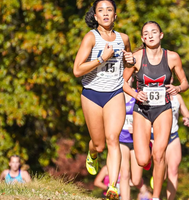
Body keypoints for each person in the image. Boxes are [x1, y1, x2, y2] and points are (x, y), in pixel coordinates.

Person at [73, 0, 134, 199]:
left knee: (112, 139)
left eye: (109, 10)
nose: (106, 13)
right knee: (99, 144)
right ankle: (93, 153)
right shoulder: (91, 38)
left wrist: (129, 63)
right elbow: (77, 70)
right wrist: (101, 59)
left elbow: (129, 62)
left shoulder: (123, 38)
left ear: (115, 15)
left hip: (115, 93)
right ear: (96, 16)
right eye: (101, 11)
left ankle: (113, 187)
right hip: (92, 94)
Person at [122, 21, 189, 199]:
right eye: (146, 33)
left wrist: (178, 89)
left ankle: (156, 197)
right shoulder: (136, 57)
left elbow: (185, 82)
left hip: (163, 109)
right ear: (143, 38)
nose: (150, 35)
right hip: (142, 109)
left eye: (154, 32)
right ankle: (151, 155)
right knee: (143, 160)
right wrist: (136, 95)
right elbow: (122, 83)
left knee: (159, 155)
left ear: (161, 35)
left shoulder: (172, 57)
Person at [150, 76, 189, 200]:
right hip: (156, 136)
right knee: (160, 173)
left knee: (173, 171)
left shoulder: (178, 97)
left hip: (173, 136)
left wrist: (187, 119)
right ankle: (156, 192)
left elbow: (187, 113)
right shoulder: (153, 94)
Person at [119, 76, 145, 199]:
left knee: (135, 180)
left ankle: (141, 186)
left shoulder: (138, 95)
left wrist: (137, 127)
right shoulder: (117, 95)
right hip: (121, 139)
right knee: (124, 174)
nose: (126, 79)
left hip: (136, 140)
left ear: (132, 79)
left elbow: (146, 116)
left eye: (128, 78)